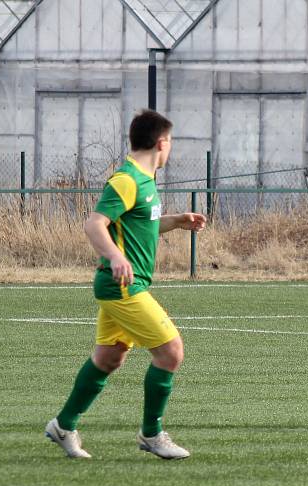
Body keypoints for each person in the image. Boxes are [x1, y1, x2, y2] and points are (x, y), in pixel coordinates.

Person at [45, 109, 207, 458]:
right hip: (122, 285)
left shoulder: (144, 182)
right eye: (171, 143)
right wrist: (116, 257)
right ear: (162, 142)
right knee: (170, 351)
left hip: (124, 284)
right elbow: (95, 224)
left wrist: (176, 221)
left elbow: (138, 224)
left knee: (109, 357)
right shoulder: (127, 179)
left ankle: (63, 425)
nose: (171, 149)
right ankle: (152, 434)